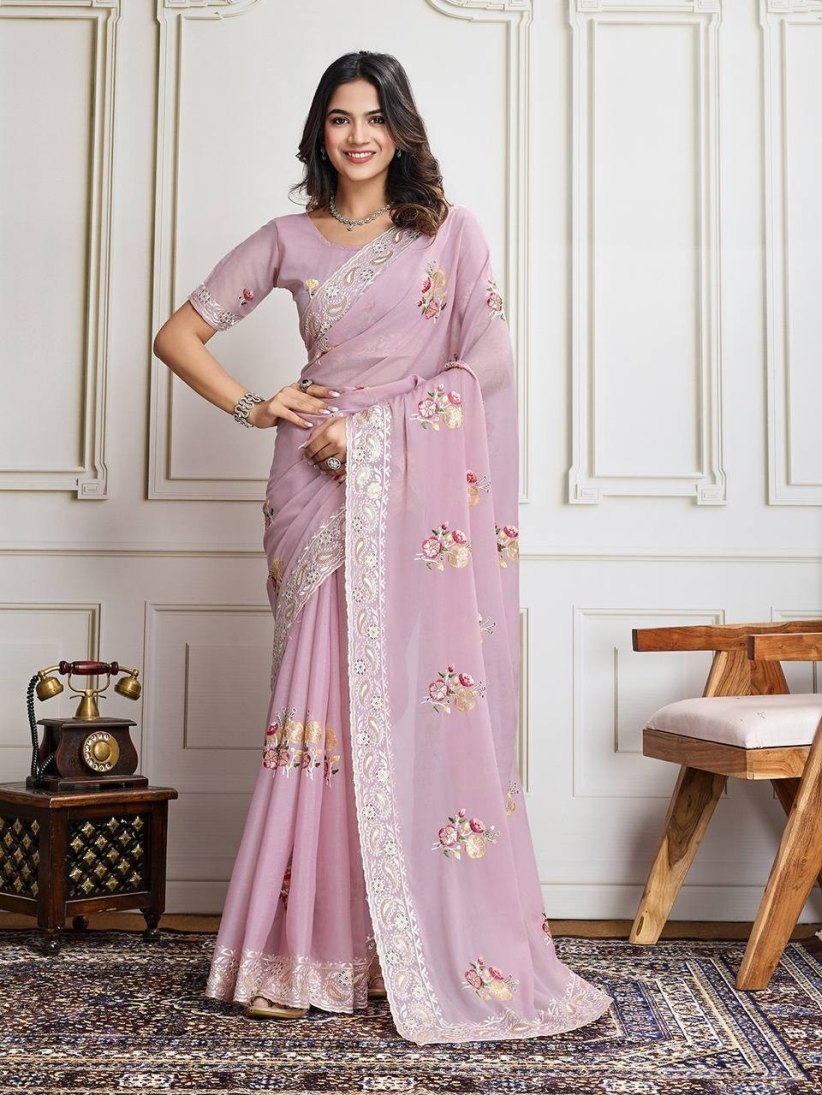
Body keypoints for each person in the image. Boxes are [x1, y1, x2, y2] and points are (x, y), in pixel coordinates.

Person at [153, 49, 612, 1046]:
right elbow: (177, 335)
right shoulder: (285, 239)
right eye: (339, 118)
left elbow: (487, 362)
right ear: (319, 133)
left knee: (405, 700)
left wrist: (374, 428)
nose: (357, 136)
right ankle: (301, 956)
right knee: (316, 712)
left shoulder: (449, 234)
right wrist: (255, 404)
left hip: (406, 487)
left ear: (401, 129)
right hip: (312, 493)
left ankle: (397, 946)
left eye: (374, 117)